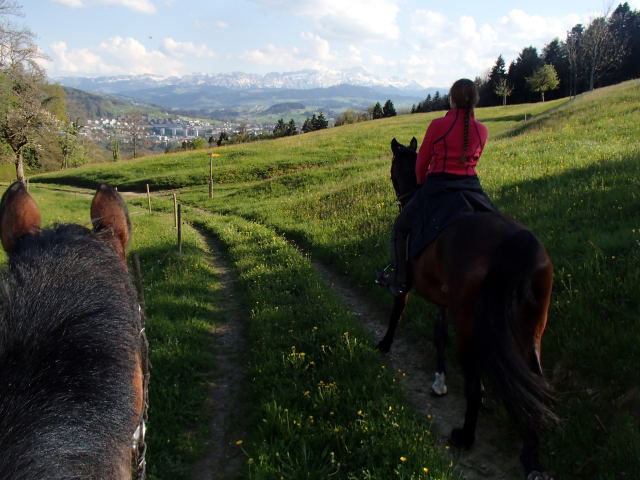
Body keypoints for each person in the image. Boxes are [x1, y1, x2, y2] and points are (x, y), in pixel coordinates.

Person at [377, 78, 497, 296]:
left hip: (438, 185)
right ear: (476, 101)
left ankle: (400, 278)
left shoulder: (438, 125)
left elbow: (421, 162)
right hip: (472, 189)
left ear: (451, 99)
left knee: (401, 227)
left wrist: (422, 184)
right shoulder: (483, 130)